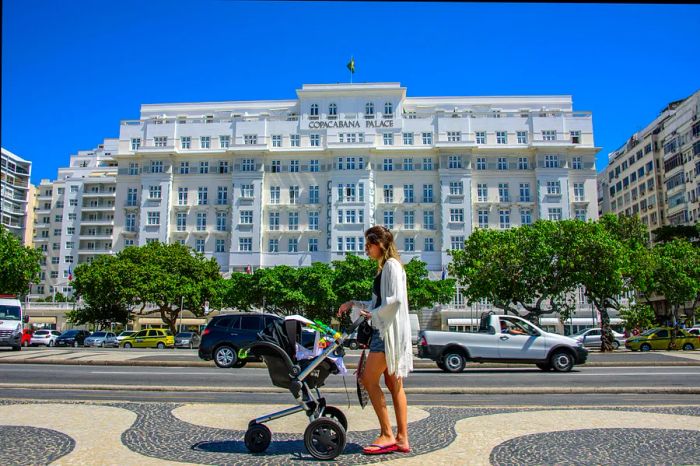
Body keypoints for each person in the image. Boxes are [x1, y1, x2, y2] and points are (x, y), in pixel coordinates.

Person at [337, 225, 413, 455]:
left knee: (368, 379)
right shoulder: (388, 268)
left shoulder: (390, 266)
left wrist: (374, 315)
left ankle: (387, 434)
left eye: (368, 245)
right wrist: (354, 304)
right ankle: (402, 438)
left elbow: (394, 301)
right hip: (389, 330)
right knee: (393, 385)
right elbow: (380, 303)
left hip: (386, 334)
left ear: (379, 244)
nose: (366, 250)